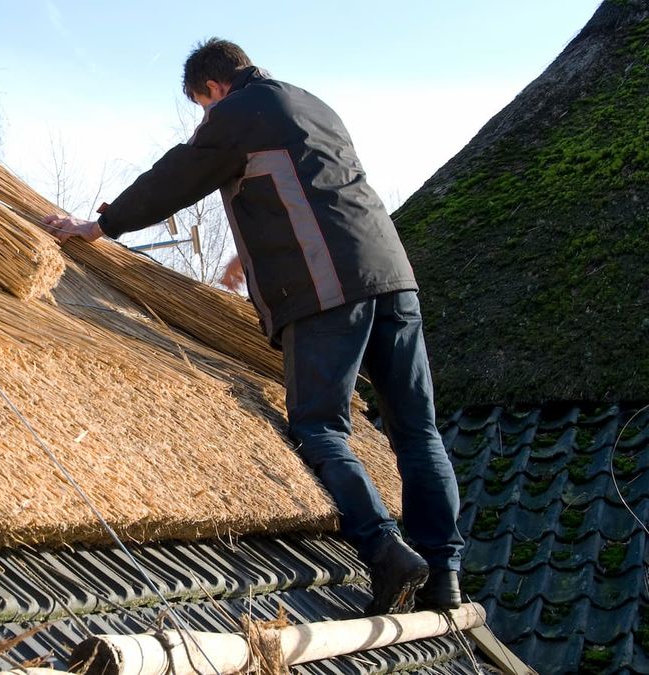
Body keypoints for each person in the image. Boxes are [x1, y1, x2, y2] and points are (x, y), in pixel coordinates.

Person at [41, 38, 463, 616]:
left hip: (326, 289)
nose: (206, 118)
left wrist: (102, 223)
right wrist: (250, 254)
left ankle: (387, 552)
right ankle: (445, 576)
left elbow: (178, 174)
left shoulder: (237, 112)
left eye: (201, 105)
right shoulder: (307, 104)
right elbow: (313, 192)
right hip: (393, 279)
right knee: (418, 432)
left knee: (320, 427)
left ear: (213, 89)